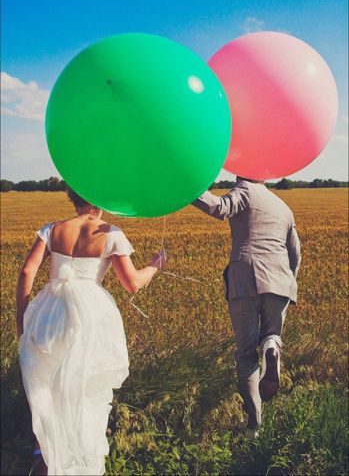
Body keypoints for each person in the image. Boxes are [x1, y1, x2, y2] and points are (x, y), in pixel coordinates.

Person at [17, 187, 166, 476]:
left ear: (73, 197)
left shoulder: (52, 230)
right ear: (102, 197)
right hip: (89, 320)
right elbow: (132, 283)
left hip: (48, 317)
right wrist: (154, 266)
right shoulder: (111, 234)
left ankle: (45, 460)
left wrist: (23, 324)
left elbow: (26, 273)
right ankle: (79, 464)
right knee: (85, 393)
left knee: (47, 393)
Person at [192, 177, 301, 439]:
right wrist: (288, 282)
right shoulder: (283, 206)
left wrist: (189, 189)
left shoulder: (246, 190)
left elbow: (220, 208)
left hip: (246, 281)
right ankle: (272, 347)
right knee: (271, 335)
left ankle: (254, 424)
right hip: (280, 282)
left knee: (245, 354)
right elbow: (296, 253)